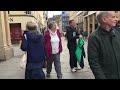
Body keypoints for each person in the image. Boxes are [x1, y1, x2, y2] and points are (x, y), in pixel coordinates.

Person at [88, 11, 120, 79]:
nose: (116, 19)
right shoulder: (94, 37)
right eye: (113, 17)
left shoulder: (117, 34)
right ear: (104, 19)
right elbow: (94, 62)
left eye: (116, 17)